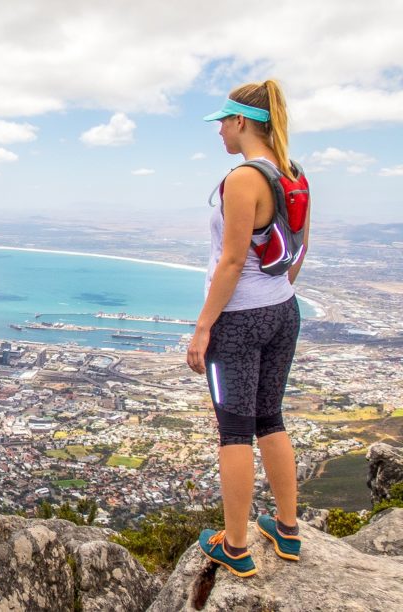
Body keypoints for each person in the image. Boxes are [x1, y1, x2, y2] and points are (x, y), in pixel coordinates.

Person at [188, 79, 310, 577]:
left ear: (241, 121)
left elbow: (233, 260)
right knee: (270, 418)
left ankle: (234, 546)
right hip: (283, 309)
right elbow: (297, 251)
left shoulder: (243, 179)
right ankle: (286, 527)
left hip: (238, 322)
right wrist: (275, 297)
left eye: (222, 121)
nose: (218, 130)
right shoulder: (293, 173)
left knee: (234, 431)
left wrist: (203, 329)